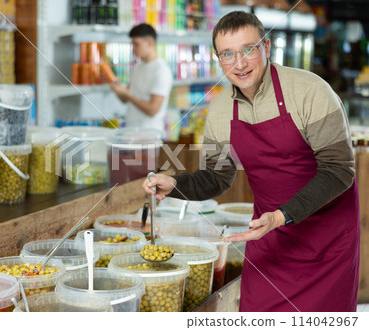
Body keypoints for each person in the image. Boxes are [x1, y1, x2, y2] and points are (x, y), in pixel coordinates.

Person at [142, 11, 360, 312]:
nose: (240, 63)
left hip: (326, 237)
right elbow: (216, 178)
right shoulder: (220, 110)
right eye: (228, 54)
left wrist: (282, 215)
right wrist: (175, 184)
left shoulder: (311, 91)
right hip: (267, 235)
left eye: (248, 49)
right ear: (218, 60)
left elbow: (339, 170)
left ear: (266, 48)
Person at [109, 23, 173, 134]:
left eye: (136, 44)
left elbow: (152, 110)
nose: (133, 49)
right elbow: (125, 99)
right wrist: (113, 84)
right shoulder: (138, 66)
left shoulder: (161, 70)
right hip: (131, 132)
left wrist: (127, 94)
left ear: (150, 42)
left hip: (149, 135)